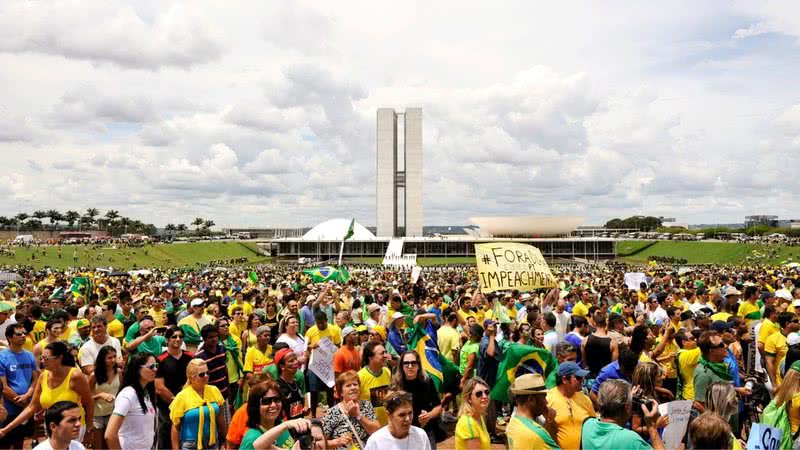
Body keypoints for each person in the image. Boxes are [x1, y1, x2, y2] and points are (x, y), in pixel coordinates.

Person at [0, 341, 94, 442]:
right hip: (51, 429)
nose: (42, 361)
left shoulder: (75, 376)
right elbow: (31, 408)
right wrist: (6, 429)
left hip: (73, 429)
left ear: (59, 358)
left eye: (46, 359)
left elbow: (88, 402)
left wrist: (89, 428)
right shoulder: (43, 376)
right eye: (41, 358)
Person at [580, 379, 665, 450]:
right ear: (627, 407)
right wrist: (652, 426)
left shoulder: (587, 425)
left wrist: (627, 397)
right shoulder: (631, 440)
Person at [169, 359, 227, 450]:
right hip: (191, 445)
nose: (206, 376)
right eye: (202, 374)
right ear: (191, 377)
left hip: (213, 442)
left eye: (207, 372)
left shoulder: (214, 390)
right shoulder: (182, 396)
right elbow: (175, 427)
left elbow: (220, 419)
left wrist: (225, 440)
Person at [104, 352, 158, 450]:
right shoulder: (128, 395)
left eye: (156, 366)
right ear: (138, 369)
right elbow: (110, 434)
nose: (155, 369)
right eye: (151, 367)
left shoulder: (146, 393)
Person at [390, 351, 442, 448]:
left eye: (413, 363)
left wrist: (429, 416)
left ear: (418, 365)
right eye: (406, 363)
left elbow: (438, 407)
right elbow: (390, 411)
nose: (410, 366)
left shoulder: (427, 381)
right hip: (403, 433)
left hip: (426, 431)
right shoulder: (395, 384)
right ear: (401, 366)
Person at [0, 323, 38, 450]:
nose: (23, 336)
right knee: (5, 443)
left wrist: (28, 396)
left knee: (20, 441)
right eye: (19, 334)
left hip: (26, 406)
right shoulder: (2, 357)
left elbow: (35, 379)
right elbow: (3, 387)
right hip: (8, 408)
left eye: (24, 333)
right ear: (9, 338)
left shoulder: (29, 355)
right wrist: (24, 404)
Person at [155, 326, 193, 449]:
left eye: (181, 337)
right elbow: (159, 388)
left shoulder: (190, 357)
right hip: (166, 408)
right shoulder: (160, 359)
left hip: (188, 406)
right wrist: (177, 403)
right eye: (174, 336)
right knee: (166, 440)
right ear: (167, 339)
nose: (178, 339)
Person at [322, 371, 380, 450]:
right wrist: (337, 442)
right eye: (348, 385)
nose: (353, 387)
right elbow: (320, 443)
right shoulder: (332, 412)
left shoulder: (366, 405)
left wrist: (358, 415)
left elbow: (376, 431)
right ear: (341, 392)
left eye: (355, 384)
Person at [546, 362, 595, 450]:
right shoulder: (548, 399)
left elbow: (593, 426)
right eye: (578, 378)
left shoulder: (585, 399)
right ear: (565, 379)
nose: (583, 380)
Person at [507, 373, 560, 450]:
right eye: (544, 397)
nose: (546, 402)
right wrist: (550, 422)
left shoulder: (513, 423)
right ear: (531, 400)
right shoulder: (538, 434)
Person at [363, 390, 431, 450]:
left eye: (410, 413)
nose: (407, 419)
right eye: (402, 415)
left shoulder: (421, 435)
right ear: (389, 415)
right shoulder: (375, 441)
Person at [239, 381, 297, 449]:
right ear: (255, 406)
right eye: (266, 401)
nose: (273, 405)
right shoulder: (252, 438)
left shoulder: (281, 425)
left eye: (277, 399)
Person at [88, 345, 121, 450]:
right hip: (97, 415)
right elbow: (86, 397)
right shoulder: (94, 375)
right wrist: (100, 395)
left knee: (112, 445)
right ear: (102, 359)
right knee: (98, 447)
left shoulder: (119, 373)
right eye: (109, 358)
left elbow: (122, 391)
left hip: (114, 413)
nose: (113, 360)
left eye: (114, 357)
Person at [358, 341, 391, 426]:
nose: (386, 356)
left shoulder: (387, 372)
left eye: (386, 352)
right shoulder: (360, 377)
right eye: (382, 353)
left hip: (387, 426)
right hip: (369, 427)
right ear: (370, 358)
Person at [455, 377, 491, 450]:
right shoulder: (469, 424)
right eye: (479, 394)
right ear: (469, 398)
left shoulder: (478, 415)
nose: (484, 396)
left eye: (486, 392)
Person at [703, 382, 742, 450]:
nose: (737, 400)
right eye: (735, 396)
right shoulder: (715, 430)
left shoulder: (719, 424)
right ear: (726, 402)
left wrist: (736, 442)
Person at [273, 348, 306, 421]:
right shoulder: (277, 388)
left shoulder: (296, 383)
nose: (295, 362)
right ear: (282, 366)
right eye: (291, 361)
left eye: (295, 359)